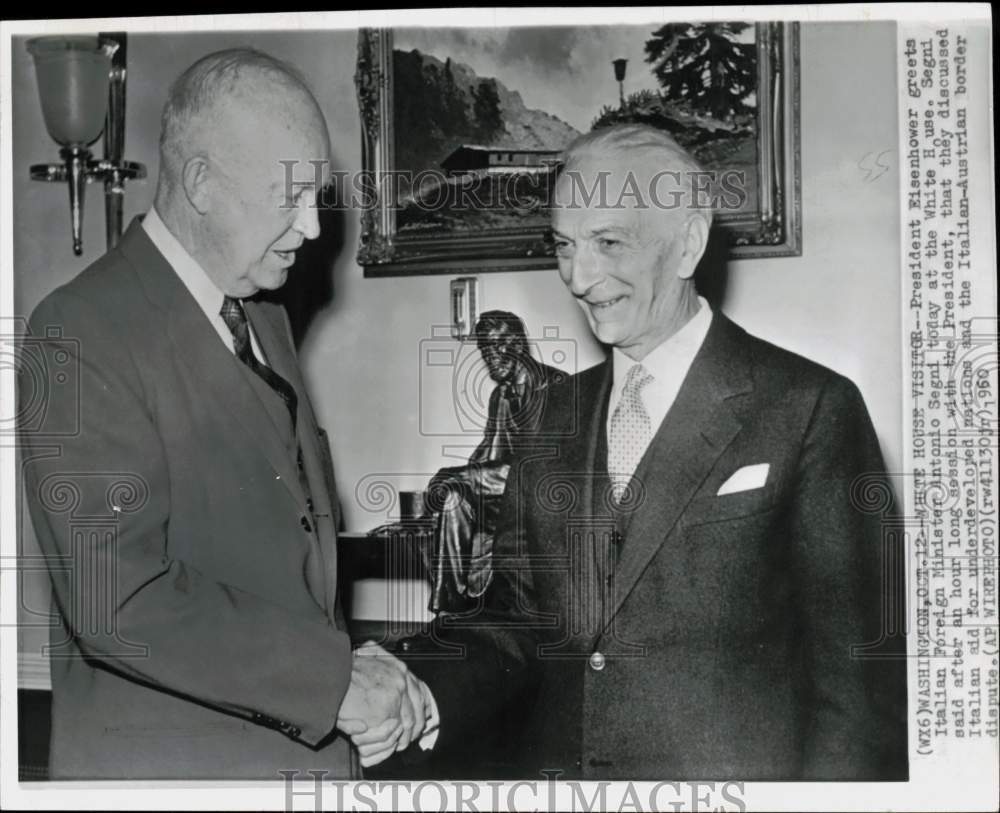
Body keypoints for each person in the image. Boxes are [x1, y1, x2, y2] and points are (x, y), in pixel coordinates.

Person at [392, 124, 908, 780]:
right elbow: (512, 619)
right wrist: (411, 684)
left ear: (688, 242)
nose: (579, 277)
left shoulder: (808, 408)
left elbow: (858, 690)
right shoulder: (549, 415)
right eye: (564, 246)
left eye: (608, 242)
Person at [20, 48, 433, 780]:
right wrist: (332, 682)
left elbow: (281, 550)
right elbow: (120, 599)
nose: (312, 227)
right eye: (291, 196)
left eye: (319, 197)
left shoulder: (262, 312)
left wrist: (350, 669)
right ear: (202, 183)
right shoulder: (80, 329)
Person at [422, 311, 562, 613]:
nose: (490, 357)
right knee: (454, 499)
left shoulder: (550, 385)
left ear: (518, 345)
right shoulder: (499, 395)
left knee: (457, 481)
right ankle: (451, 608)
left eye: (498, 346)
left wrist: (457, 474)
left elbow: (533, 466)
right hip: (505, 493)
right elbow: (488, 451)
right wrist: (456, 480)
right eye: (485, 349)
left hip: (540, 493)